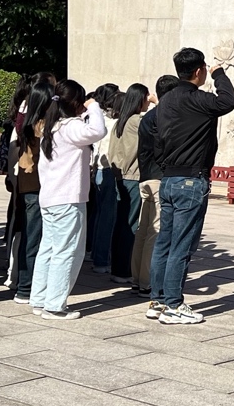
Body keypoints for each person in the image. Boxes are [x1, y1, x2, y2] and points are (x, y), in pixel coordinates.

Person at [146, 48, 234, 324]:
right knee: (182, 245)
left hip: (169, 179)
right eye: (205, 68)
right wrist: (220, 74)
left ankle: (158, 300)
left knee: (164, 242)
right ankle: (174, 305)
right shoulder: (198, 99)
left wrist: (167, 166)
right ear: (199, 71)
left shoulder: (166, 101)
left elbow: (157, 140)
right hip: (190, 180)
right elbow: (227, 101)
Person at [30, 80, 106, 319]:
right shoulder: (71, 127)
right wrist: (94, 107)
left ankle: (40, 299)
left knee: (48, 249)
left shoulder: (52, 126)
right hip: (68, 199)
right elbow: (98, 131)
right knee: (67, 251)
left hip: (50, 197)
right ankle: (54, 305)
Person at [6, 78, 54, 304]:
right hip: (38, 186)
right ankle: (26, 287)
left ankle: (23, 284)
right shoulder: (42, 127)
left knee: (28, 236)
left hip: (26, 185)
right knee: (34, 237)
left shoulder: (25, 123)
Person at [133, 75, 179, 296]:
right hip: (158, 177)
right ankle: (147, 281)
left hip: (145, 175)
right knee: (155, 232)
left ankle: (137, 278)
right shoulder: (163, 116)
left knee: (143, 231)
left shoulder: (149, 116)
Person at [107, 83, 151, 284]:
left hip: (120, 175)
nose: (148, 101)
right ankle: (123, 269)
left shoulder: (121, 121)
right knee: (130, 224)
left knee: (121, 222)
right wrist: (159, 102)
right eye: (146, 97)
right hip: (132, 177)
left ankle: (117, 266)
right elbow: (157, 123)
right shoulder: (135, 121)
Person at [88, 83, 120, 274]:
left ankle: (94, 253)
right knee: (107, 217)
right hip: (107, 169)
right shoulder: (109, 121)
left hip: (98, 169)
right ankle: (101, 259)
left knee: (99, 214)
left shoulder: (96, 118)